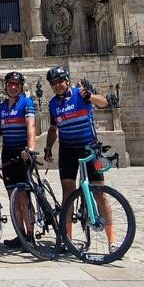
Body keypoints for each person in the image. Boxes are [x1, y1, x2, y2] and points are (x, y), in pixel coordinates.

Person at [43, 66, 113, 245]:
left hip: (89, 148)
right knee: (68, 193)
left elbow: (104, 102)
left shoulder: (81, 94)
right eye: (53, 83)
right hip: (67, 150)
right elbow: (53, 128)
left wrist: (89, 96)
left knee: (99, 193)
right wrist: (48, 148)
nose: (57, 85)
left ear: (67, 81)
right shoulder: (53, 104)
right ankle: (67, 238)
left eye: (60, 81)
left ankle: (111, 240)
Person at [0, 70, 37, 248]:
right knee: (12, 197)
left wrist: (30, 148)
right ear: (6, 86)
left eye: (16, 84)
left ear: (20, 87)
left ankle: (30, 235)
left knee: (23, 198)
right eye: (10, 84)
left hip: (22, 153)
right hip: (7, 153)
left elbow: (31, 125)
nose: (13, 87)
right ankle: (20, 235)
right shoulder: (1, 108)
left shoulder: (26, 103)